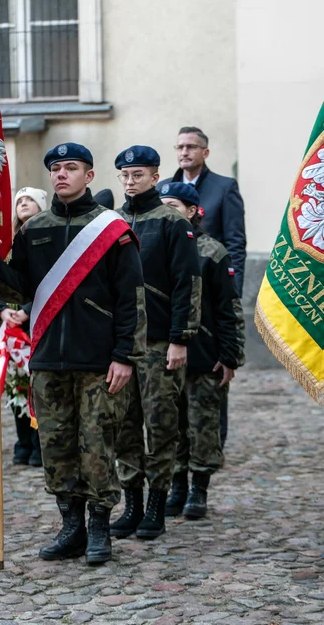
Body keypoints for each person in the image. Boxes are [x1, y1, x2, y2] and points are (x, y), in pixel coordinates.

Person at [0, 142, 146, 565]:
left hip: (98, 361)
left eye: (70, 168)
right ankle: (70, 527)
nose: (60, 174)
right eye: (55, 168)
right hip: (48, 359)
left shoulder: (111, 229)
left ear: (89, 176)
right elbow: (22, 286)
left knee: (97, 447)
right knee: (56, 447)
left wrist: (124, 356)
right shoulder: (35, 229)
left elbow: (130, 299)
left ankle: (98, 530)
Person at [111, 146, 201, 541]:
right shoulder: (110, 222)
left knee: (161, 424)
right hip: (121, 344)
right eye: (125, 175)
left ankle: (156, 505)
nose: (131, 182)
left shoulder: (170, 222)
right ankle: (131, 502)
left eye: (138, 174)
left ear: (154, 175)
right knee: (123, 425)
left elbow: (187, 283)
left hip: (160, 341)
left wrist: (180, 339)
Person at [159, 126, 247, 447]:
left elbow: (235, 240)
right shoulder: (165, 189)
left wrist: (231, 284)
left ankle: (214, 441)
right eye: (180, 146)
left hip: (213, 285)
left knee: (211, 368)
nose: (184, 152)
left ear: (204, 152)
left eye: (191, 147)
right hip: (173, 292)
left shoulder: (224, 188)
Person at [161, 183, 245, 519]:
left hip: (204, 354)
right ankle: (177, 484)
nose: (168, 212)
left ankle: (199, 489)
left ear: (194, 211)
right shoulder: (154, 246)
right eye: (163, 205)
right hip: (163, 354)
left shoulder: (212, 251)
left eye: (175, 206)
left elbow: (228, 308)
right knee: (172, 424)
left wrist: (229, 355)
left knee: (203, 424)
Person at [0, 186, 47, 467]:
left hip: (37, 324)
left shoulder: (46, 237)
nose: (24, 203)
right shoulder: (8, 242)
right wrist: (5, 311)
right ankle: (23, 442)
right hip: (11, 327)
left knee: (36, 385)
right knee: (16, 384)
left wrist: (28, 312)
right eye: (19, 200)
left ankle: (40, 442)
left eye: (30, 199)